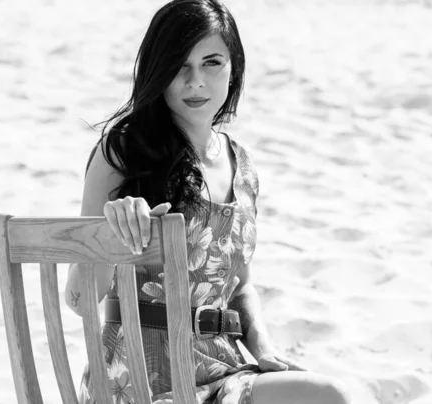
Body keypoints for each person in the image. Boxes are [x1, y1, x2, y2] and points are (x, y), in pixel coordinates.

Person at [65, 0, 351, 402]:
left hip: (225, 369)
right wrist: (107, 237)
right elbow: (79, 301)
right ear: (157, 73)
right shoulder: (123, 152)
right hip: (140, 381)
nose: (195, 81)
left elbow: (240, 284)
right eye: (179, 65)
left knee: (330, 395)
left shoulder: (243, 166)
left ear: (233, 68)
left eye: (211, 62)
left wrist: (262, 345)